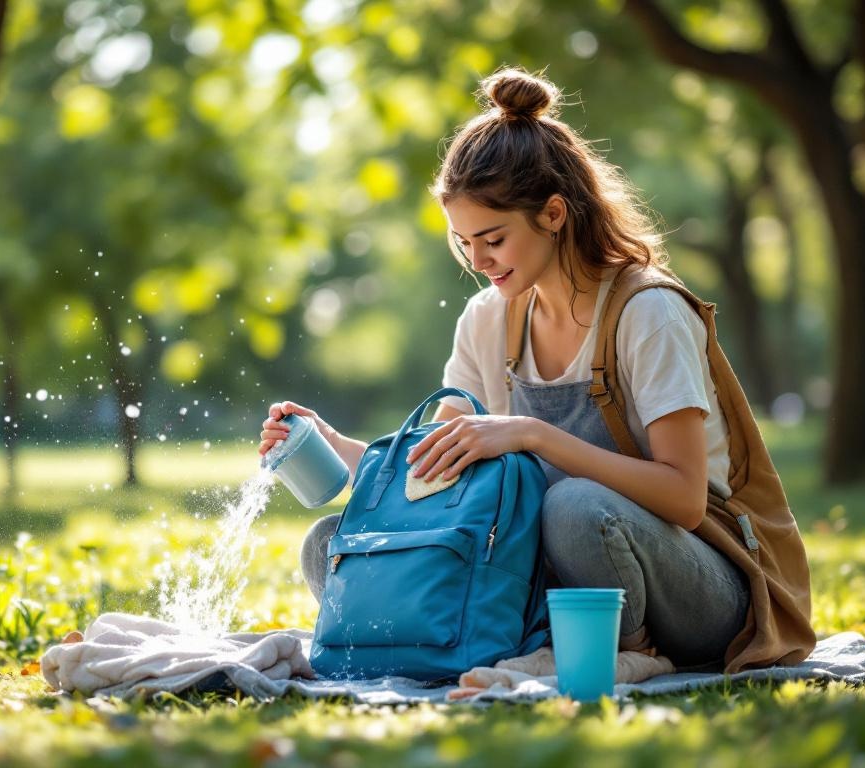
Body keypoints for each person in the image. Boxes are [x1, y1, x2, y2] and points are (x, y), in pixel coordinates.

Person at [259, 67, 803, 672]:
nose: (478, 260)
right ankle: (525, 645)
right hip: (559, 571)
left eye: (492, 239)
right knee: (334, 547)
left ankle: (630, 653)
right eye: (464, 242)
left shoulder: (647, 312)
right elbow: (439, 482)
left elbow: (683, 499)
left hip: (701, 584)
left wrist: (533, 434)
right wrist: (333, 445)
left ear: (552, 214)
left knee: (572, 509)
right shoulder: (487, 318)